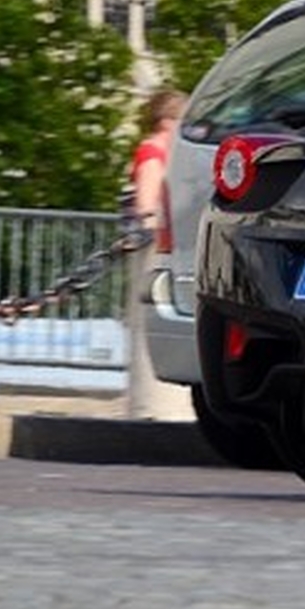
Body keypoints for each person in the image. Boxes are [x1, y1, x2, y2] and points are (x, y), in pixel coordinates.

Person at [124, 88, 192, 420]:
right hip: (156, 249)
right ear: (167, 122)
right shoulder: (153, 152)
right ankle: (152, 407)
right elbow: (146, 205)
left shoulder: (166, 151)